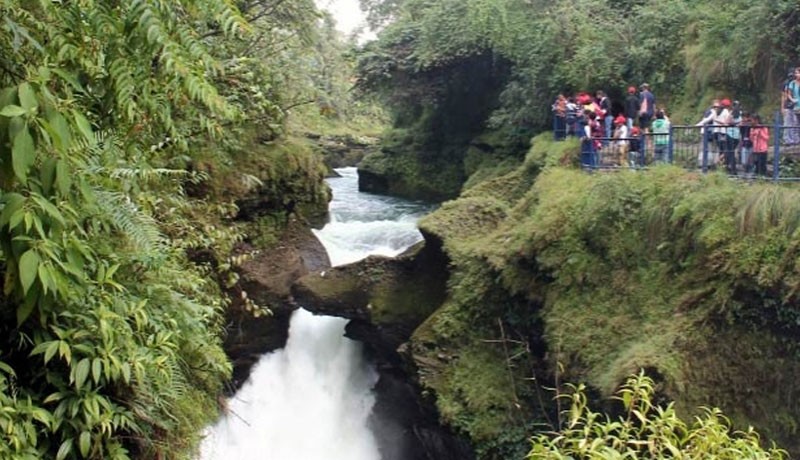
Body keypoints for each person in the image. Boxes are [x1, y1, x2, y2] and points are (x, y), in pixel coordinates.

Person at [785, 67, 800, 145]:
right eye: (796, 73)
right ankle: (796, 141)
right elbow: (788, 94)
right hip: (796, 106)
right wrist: (792, 99)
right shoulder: (792, 83)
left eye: (798, 73)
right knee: (795, 124)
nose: (797, 74)